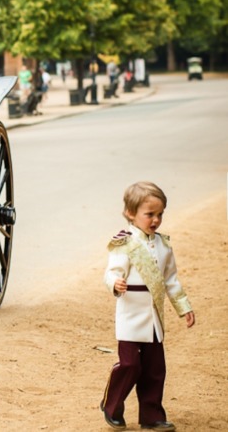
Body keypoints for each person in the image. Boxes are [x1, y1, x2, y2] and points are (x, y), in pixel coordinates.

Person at [101, 182, 195, 432]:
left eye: (160, 214)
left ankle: (151, 416)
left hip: (153, 316)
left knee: (155, 370)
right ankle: (112, 404)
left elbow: (170, 280)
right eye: (149, 214)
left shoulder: (164, 245)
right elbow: (111, 272)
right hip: (131, 312)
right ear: (131, 213)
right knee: (130, 365)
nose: (156, 220)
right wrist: (115, 283)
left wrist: (183, 307)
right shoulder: (125, 243)